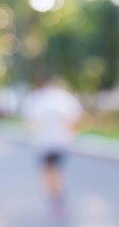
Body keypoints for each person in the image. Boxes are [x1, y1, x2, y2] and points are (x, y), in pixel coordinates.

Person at [20, 73, 83, 219]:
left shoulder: (35, 98)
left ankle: (55, 200)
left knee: (48, 172)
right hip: (57, 142)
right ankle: (58, 200)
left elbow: (29, 123)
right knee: (55, 171)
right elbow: (75, 117)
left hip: (46, 143)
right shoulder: (62, 97)